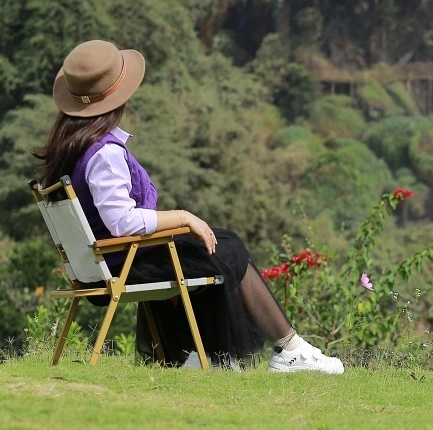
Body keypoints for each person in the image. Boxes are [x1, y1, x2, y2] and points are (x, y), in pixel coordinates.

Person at [34, 39, 344, 374]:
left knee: (216, 244)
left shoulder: (71, 147)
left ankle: (209, 354)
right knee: (229, 249)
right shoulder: (105, 153)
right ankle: (289, 350)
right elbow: (121, 223)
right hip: (124, 262)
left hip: (104, 262)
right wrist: (183, 216)